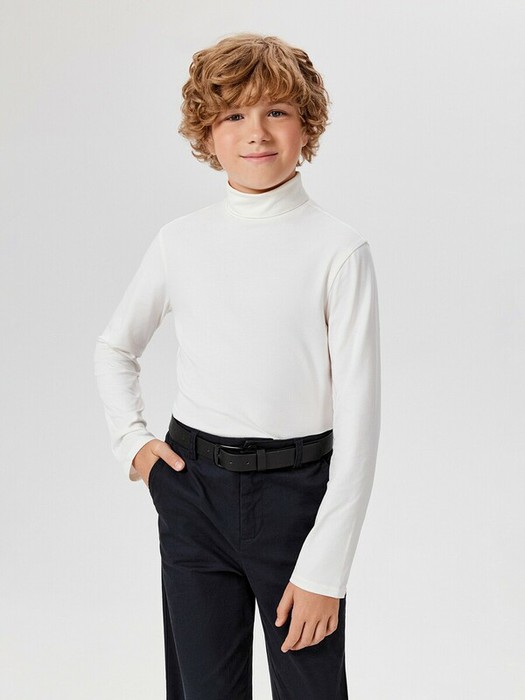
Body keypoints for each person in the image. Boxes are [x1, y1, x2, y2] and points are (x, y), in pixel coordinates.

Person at [94, 32, 381, 700]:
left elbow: (360, 422)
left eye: (276, 111)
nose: (256, 132)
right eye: (233, 115)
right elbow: (115, 347)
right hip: (192, 490)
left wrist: (325, 569)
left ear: (306, 125)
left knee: (310, 685)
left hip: (297, 502)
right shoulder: (181, 241)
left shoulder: (338, 250)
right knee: (203, 688)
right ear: (207, 133)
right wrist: (133, 444)